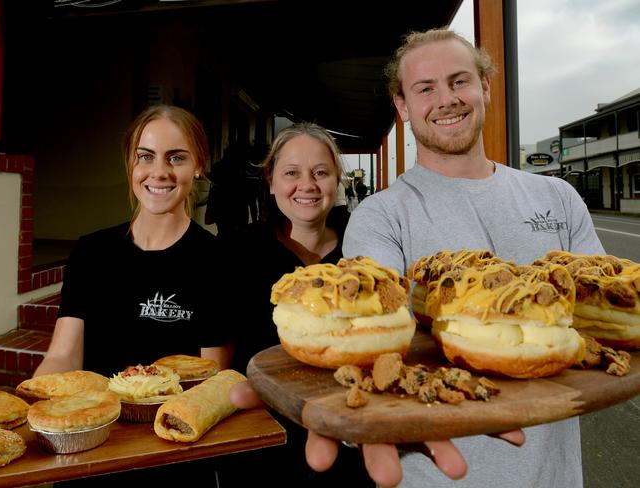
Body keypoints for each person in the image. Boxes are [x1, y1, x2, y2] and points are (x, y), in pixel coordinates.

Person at [340, 28, 605, 487]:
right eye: (426, 88)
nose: (447, 99)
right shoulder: (381, 217)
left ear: (484, 87)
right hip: (438, 474)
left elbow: (603, 316)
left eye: (459, 81)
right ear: (403, 107)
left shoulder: (557, 196)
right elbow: (371, 341)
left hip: (557, 475)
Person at [220, 122, 373, 487]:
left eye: (321, 172)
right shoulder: (234, 251)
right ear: (271, 181)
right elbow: (220, 364)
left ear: (337, 180)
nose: (307, 185)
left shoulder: (364, 247)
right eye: (292, 173)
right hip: (259, 444)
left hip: (347, 437)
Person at [35, 104, 235, 379]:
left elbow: (212, 378)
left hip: (171, 419)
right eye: (145, 157)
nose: (159, 172)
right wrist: (40, 396)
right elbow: (63, 356)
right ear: (130, 163)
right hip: (97, 416)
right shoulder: (91, 252)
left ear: (198, 165)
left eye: (176, 158)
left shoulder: (218, 260)